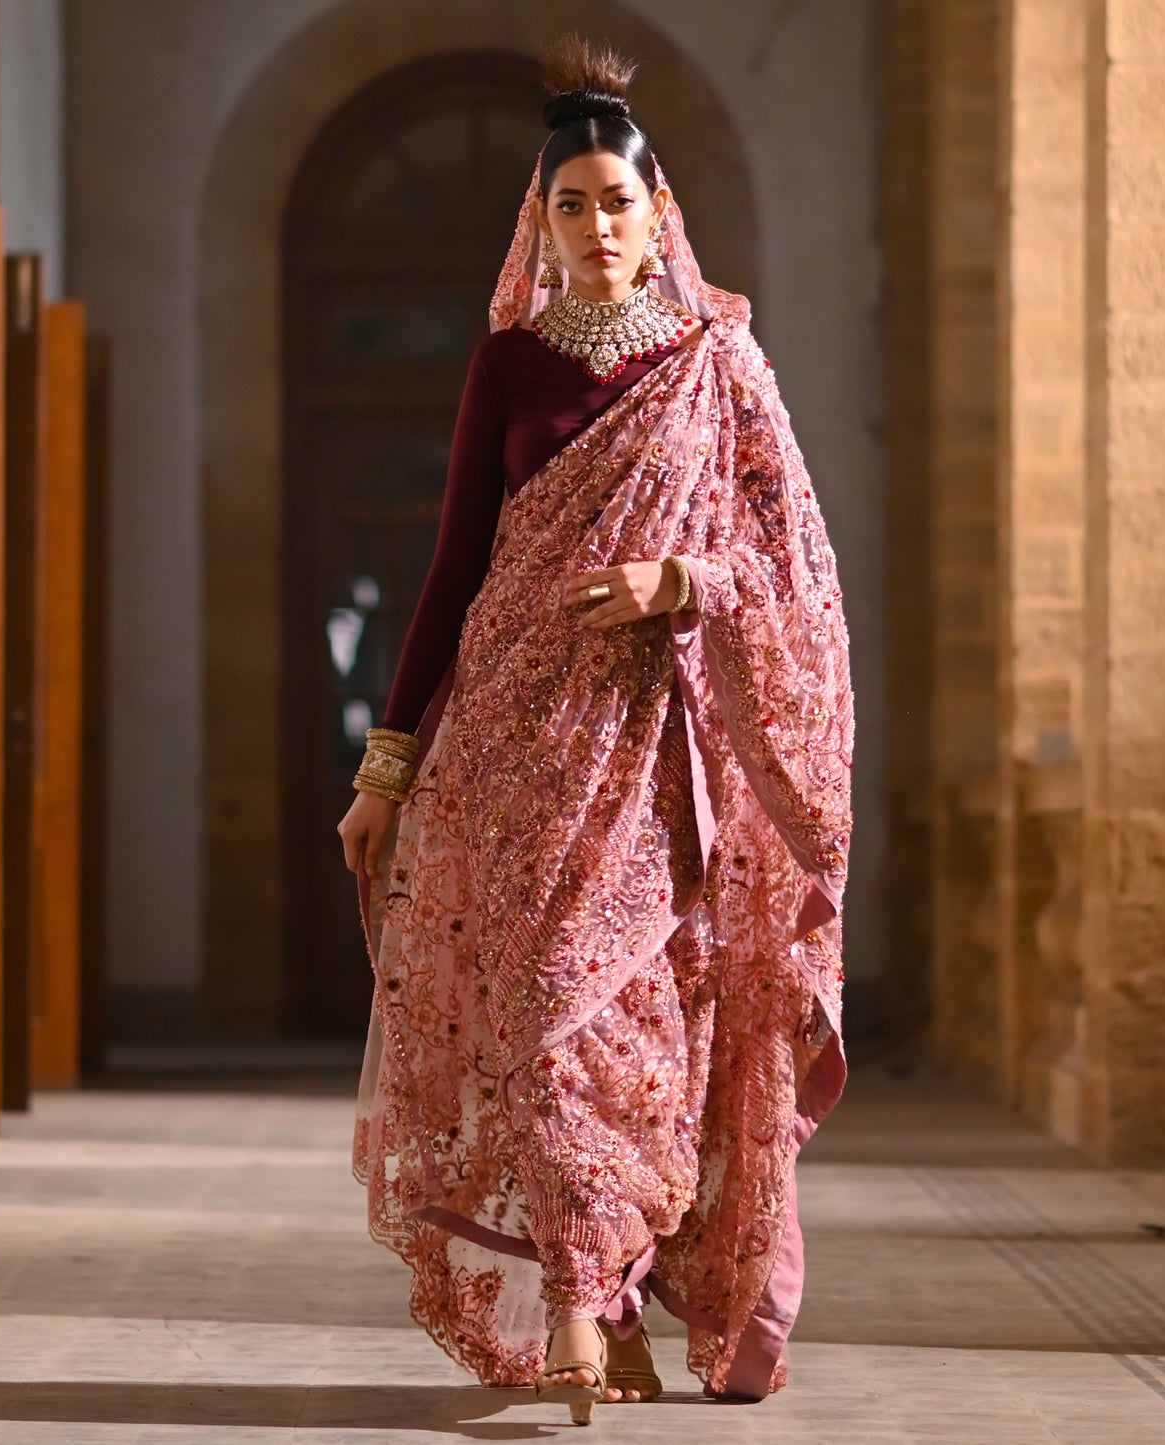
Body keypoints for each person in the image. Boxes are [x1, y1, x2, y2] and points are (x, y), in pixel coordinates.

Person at [338, 36, 853, 1424]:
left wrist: (675, 582)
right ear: (540, 223)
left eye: (615, 202)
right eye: (567, 205)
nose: (595, 227)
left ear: (657, 212)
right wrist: (387, 764)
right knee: (543, 1018)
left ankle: (608, 1295)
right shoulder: (507, 365)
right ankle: (578, 1304)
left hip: (659, 753)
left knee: (632, 1022)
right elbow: (451, 569)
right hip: (513, 747)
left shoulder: (718, 366)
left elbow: (793, 568)